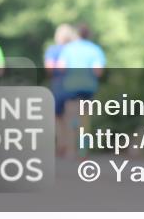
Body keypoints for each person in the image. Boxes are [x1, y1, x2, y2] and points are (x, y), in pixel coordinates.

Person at [56, 23, 106, 159]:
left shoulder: (68, 49)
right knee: (84, 119)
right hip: (88, 88)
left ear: (77, 34)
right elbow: (98, 71)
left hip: (71, 87)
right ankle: (83, 150)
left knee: (71, 117)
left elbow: (61, 67)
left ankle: (71, 149)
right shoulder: (95, 50)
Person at [45, 24, 77, 156]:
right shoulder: (75, 49)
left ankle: (62, 143)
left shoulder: (53, 50)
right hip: (74, 84)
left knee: (57, 116)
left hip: (59, 84)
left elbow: (49, 68)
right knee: (72, 116)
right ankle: (71, 146)